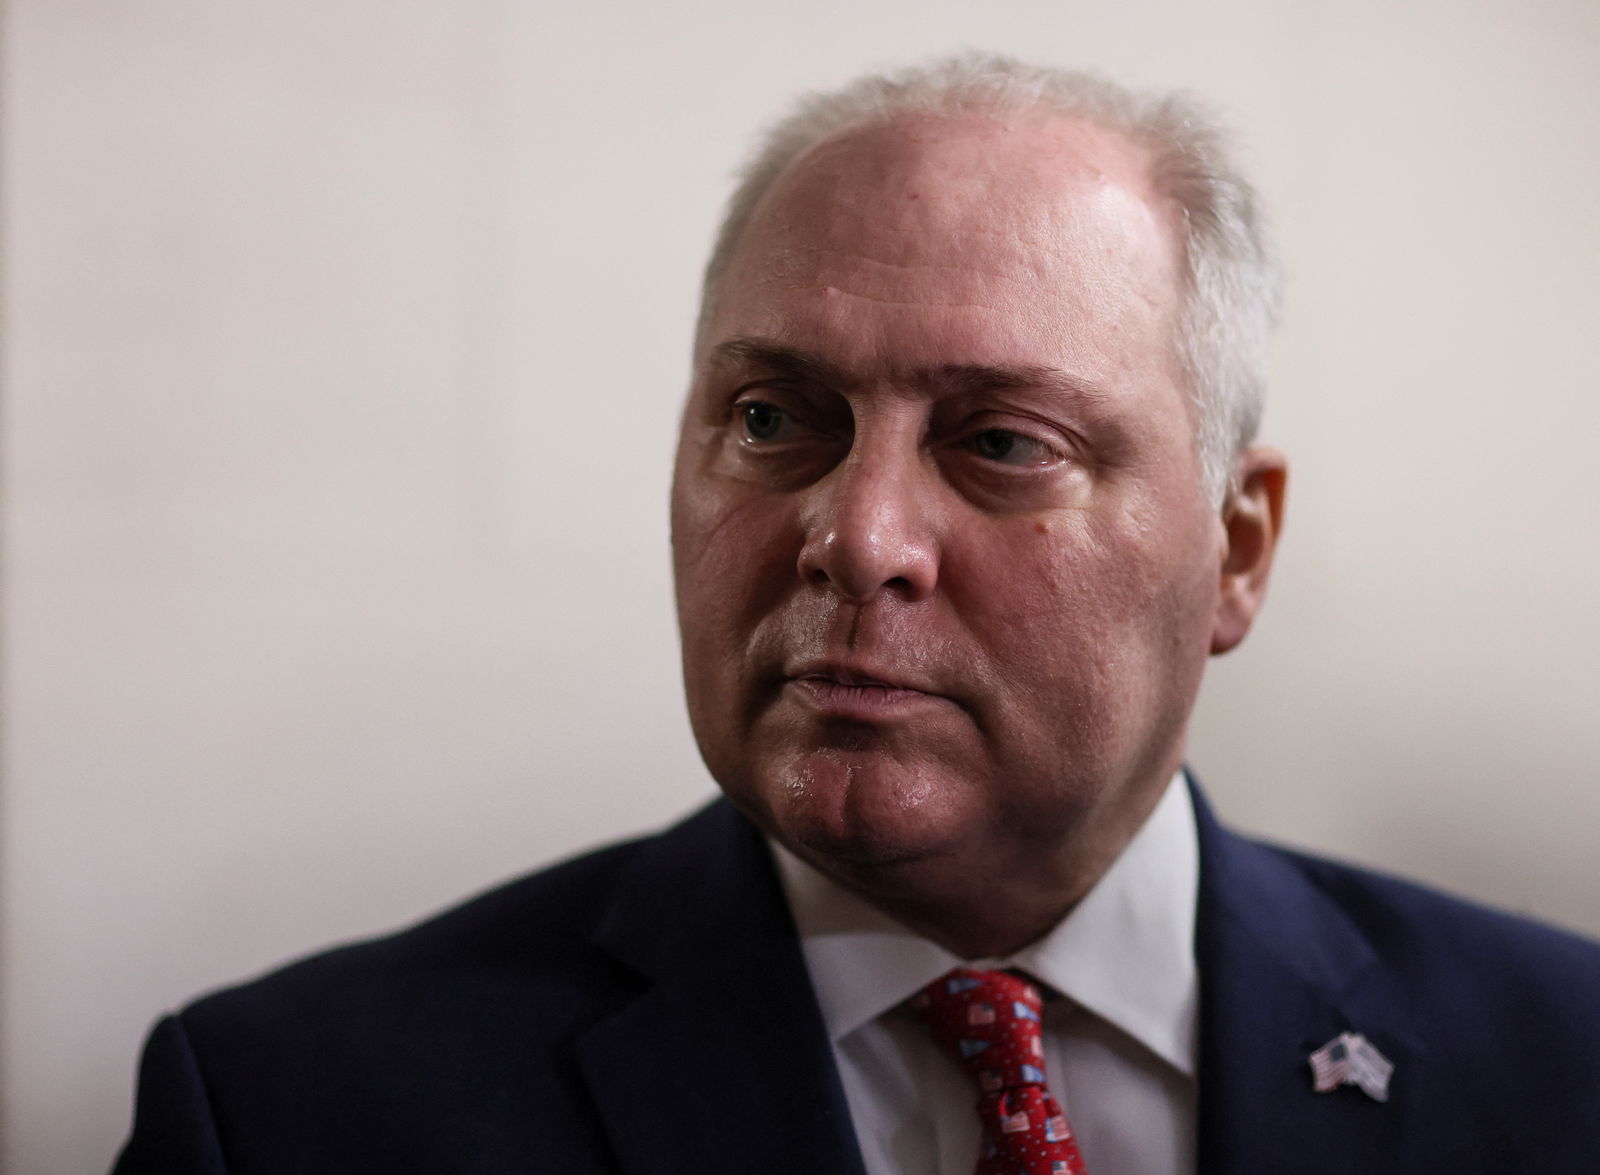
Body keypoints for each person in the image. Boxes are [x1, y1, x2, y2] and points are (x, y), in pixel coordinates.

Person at [113, 54, 1600, 1174]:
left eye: (1005, 442)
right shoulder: (291, 1116)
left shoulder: (1561, 1065)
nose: (857, 535)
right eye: (775, 417)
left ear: (1237, 548)